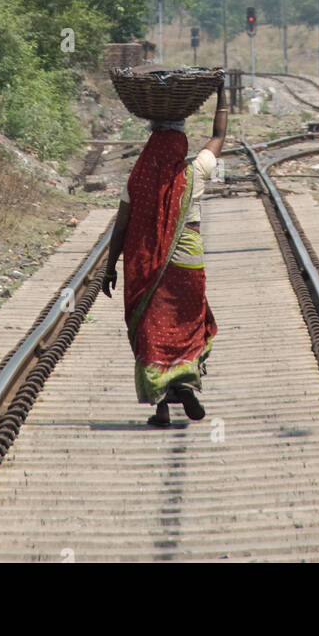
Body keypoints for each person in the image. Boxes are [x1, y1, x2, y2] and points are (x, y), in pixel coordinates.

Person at [102, 85, 227, 428]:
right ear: (181, 146)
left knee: (153, 332)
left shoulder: (137, 179)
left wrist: (110, 266)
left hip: (149, 270)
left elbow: (121, 227)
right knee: (185, 328)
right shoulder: (194, 173)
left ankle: (162, 407)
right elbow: (219, 134)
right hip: (189, 268)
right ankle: (183, 382)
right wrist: (222, 92)